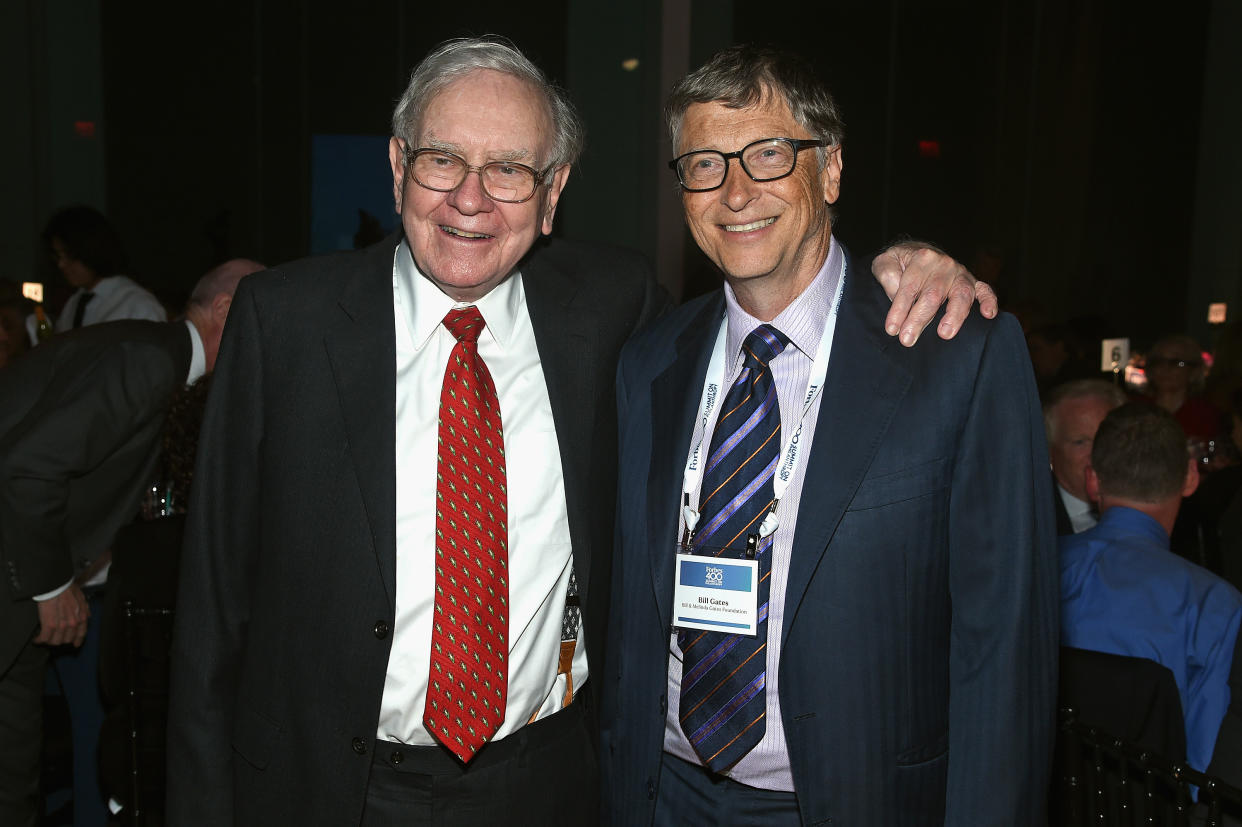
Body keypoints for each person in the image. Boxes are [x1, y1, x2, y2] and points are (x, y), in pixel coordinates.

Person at [164, 37, 992, 826]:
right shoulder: (285, 324)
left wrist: (906, 266)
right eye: (442, 159)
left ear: (555, 191)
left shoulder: (611, 312)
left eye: (510, 170)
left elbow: (777, 297)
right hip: (329, 789)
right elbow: (212, 615)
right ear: (396, 166)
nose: (470, 198)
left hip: (549, 784)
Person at [602, 45, 1057, 825]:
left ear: (831, 170)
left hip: (856, 799)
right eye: (705, 163)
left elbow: (1004, 655)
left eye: (769, 154)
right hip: (662, 794)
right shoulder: (648, 361)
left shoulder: (957, 354)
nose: (736, 190)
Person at [0, 258, 260, 827]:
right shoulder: (148, 359)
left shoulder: (159, 362)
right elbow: (27, 468)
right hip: (19, 575)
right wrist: (51, 585)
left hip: (18, 589)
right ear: (227, 312)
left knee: (13, 772)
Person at [1060, 402, 1242, 773]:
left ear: (1093, 480)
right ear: (1191, 477)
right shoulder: (1213, 605)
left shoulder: (1033, 566)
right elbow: (1204, 769)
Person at [42, 205, 166, 334]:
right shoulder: (74, 303)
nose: (61, 264)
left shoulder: (138, 304)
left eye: (69, 256)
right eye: (58, 257)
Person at [1044, 379, 1128, 535]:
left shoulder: (1153, 508)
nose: (1097, 452)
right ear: (1050, 453)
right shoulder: (1034, 524)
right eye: (1080, 442)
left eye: (1107, 438)